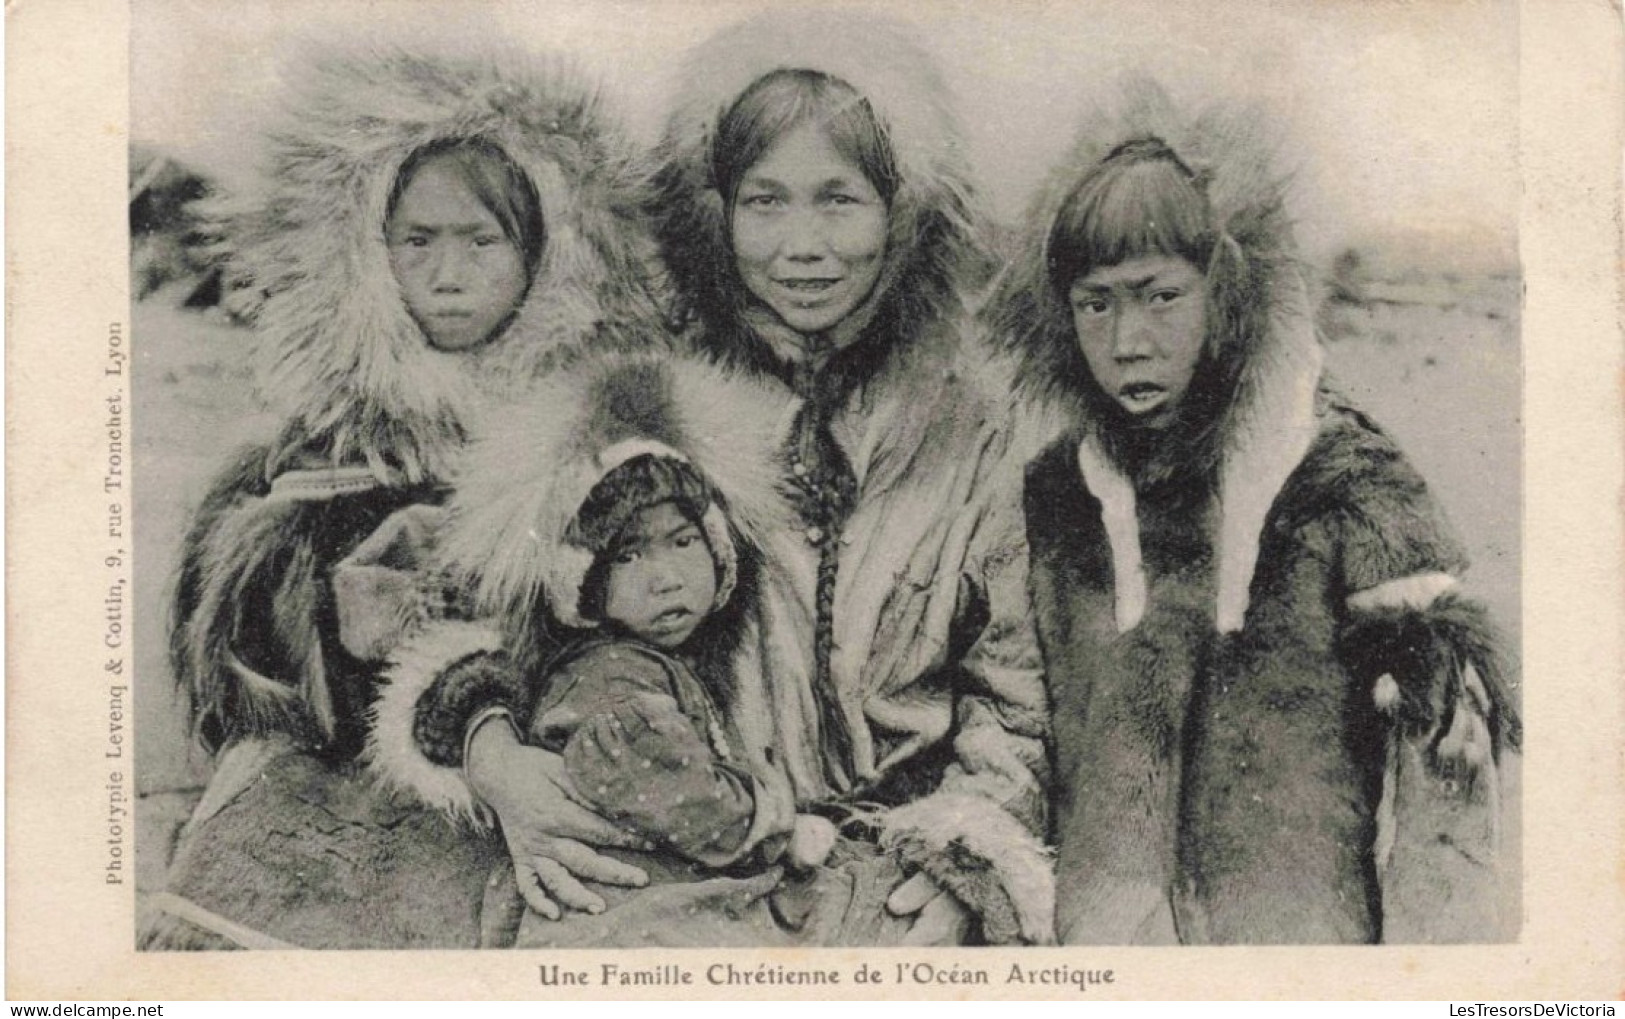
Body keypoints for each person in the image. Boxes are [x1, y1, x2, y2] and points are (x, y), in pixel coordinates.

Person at [377, 14, 1055, 946]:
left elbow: (1014, 694)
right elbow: (477, 605)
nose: (801, 245)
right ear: (717, 209)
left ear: (903, 213)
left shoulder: (975, 427)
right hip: (670, 855)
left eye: (840, 200)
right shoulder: (642, 391)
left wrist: (967, 857)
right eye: (765, 201)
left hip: (897, 862)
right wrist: (492, 753)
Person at [143, 41, 664, 950]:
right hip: (353, 773)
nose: (448, 272)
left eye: (482, 239)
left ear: (545, 253)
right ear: (367, 252)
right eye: (417, 240)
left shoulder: (591, 428)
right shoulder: (326, 439)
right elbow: (263, 641)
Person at [989, 80, 1521, 944]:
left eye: (1160, 295)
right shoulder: (1056, 494)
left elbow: (1447, 805)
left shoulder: (1349, 482)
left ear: (1226, 292)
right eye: (1096, 302)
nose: (1127, 339)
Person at [374, 354, 885, 948]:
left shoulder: (672, 662)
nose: (664, 578)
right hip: (629, 914)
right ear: (582, 585)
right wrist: (779, 820)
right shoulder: (616, 683)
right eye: (627, 556)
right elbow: (692, 805)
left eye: (683, 541)